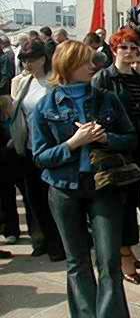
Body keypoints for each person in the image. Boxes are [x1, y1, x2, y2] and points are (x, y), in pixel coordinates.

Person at [31, 40, 136, 317]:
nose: (93, 65)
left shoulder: (107, 98)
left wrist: (106, 137)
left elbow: (130, 138)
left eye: (92, 60)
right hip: (64, 190)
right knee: (77, 262)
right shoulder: (45, 105)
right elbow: (40, 156)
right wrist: (73, 143)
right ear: (66, 65)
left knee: (109, 261)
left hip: (103, 186)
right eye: (84, 61)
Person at [92, 29, 140, 284]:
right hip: (116, 151)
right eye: (124, 48)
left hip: (139, 150)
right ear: (114, 50)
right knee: (121, 208)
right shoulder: (103, 79)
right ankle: (124, 257)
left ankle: (129, 250)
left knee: (134, 204)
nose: (129, 52)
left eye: (133, 48)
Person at [10, 39, 65, 261]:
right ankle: (42, 240)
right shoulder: (21, 83)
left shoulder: (55, 83)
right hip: (28, 148)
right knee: (35, 202)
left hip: (51, 149)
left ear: (43, 58)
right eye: (23, 59)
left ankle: (58, 243)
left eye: (31, 59)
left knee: (54, 200)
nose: (27, 64)